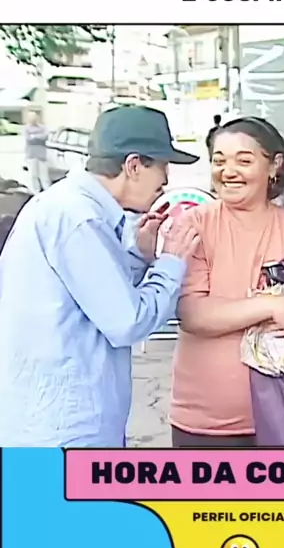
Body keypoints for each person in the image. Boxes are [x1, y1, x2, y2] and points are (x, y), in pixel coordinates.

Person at [0, 106, 199, 447]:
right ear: (133, 166)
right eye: (162, 165)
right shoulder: (79, 219)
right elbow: (127, 322)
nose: (166, 181)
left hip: (51, 424)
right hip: (63, 432)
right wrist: (171, 261)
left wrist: (140, 255)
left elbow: (93, 297)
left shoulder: (68, 207)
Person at [171, 116, 284, 447]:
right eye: (219, 161)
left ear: (274, 165)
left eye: (244, 161)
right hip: (208, 425)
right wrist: (272, 306)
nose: (228, 171)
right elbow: (192, 313)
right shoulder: (194, 226)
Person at [24, 109, 52, 193]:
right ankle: (35, 191)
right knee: (33, 174)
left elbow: (45, 137)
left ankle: (47, 190)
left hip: (42, 155)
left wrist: (33, 136)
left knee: (44, 175)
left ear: (37, 118)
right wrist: (38, 137)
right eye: (31, 117)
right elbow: (28, 139)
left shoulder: (43, 127)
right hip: (31, 154)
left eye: (34, 117)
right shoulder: (26, 128)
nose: (33, 118)